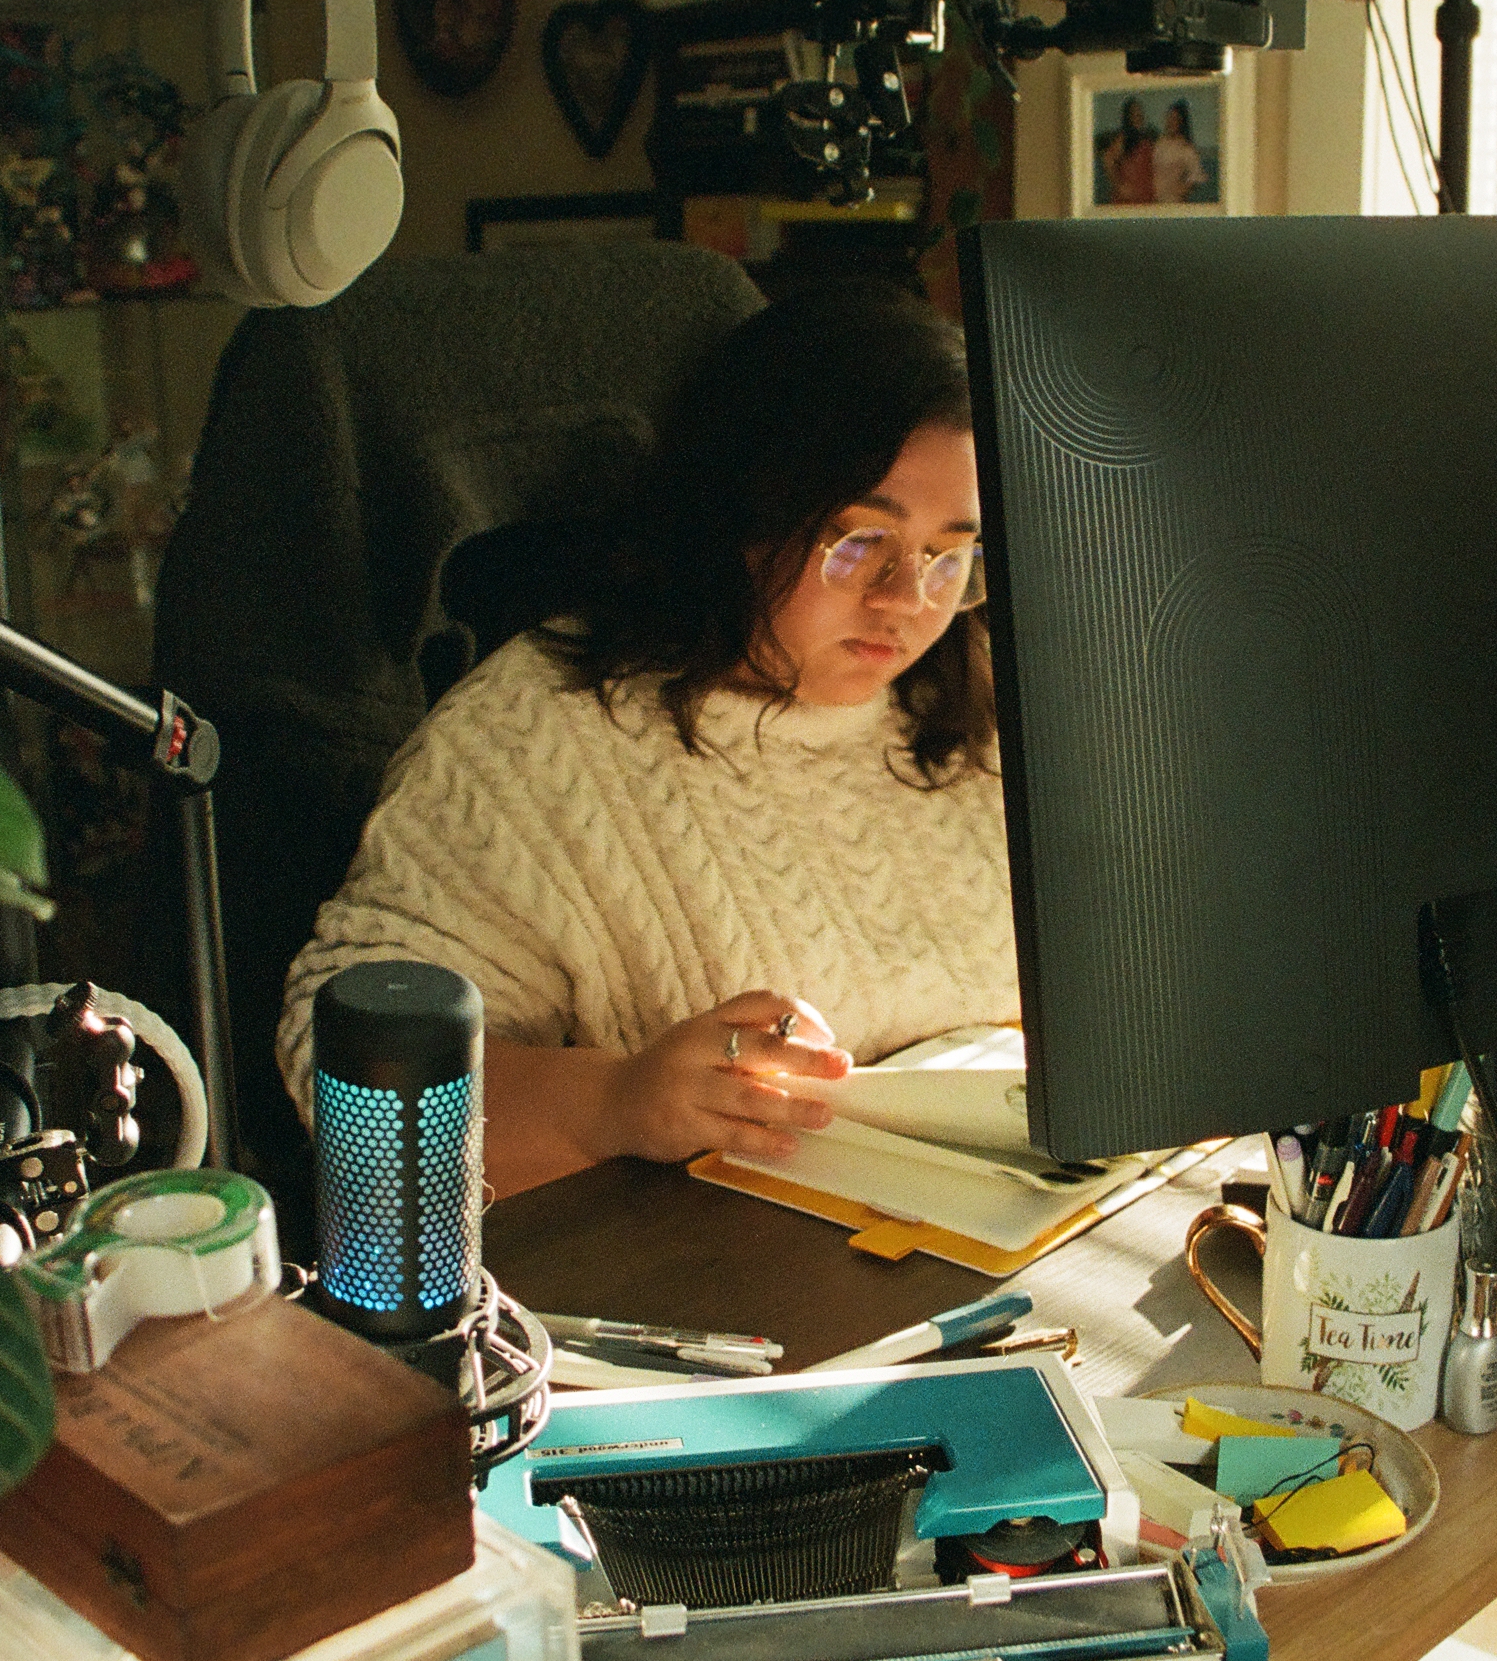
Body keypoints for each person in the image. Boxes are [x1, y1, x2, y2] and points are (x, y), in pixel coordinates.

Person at [278, 282, 1017, 1196]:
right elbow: (341, 1067)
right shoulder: (538, 746)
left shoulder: (979, 709)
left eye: (950, 555)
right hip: (728, 1263)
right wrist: (611, 1100)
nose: (908, 600)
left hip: (1016, 1234)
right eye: (861, 541)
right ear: (745, 516)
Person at [1099, 97, 1156, 205]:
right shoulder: (1123, 139)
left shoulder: (1146, 140)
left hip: (1145, 195)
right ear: (1128, 117)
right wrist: (1119, 186)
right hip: (1127, 199)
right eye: (1134, 114)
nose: (1139, 117)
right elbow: (1107, 160)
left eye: (1140, 114)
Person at [1151, 99, 1205, 204]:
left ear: (1181, 122)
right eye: (1169, 118)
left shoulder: (1186, 148)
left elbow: (1196, 175)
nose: (1170, 122)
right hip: (1154, 200)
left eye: (1174, 119)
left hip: (1173, 201)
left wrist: (1181, 191)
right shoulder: (1159, 143)